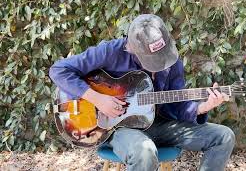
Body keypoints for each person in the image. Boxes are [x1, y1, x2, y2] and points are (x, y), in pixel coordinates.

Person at [49, 14, 235, 171]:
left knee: (223, 136)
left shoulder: (170, 61)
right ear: (131, 49)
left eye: (160, 56)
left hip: (159, 125)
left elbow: (178, 105)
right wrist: (98, 99)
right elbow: (59, 71)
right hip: (118, 129)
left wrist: (203, 107)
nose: (159, 63)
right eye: (151, 59)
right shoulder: (110, 52)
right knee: (144, 152)